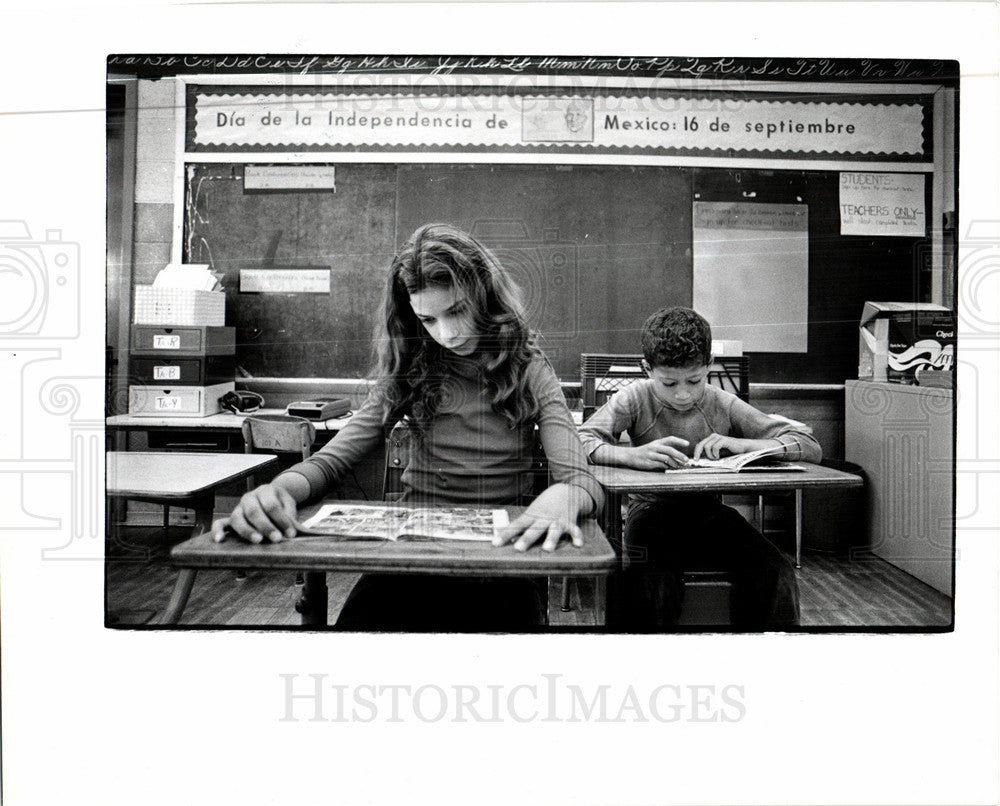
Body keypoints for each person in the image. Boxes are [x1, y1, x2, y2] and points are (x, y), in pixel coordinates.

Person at [213, 223, 604, 630]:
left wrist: (566, 496)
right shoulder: (412, 366)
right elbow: (331, 461)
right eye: (428, 319)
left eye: (456, 311)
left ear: (484, 296)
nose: (447, 333)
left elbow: (582, 482)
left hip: (500, 558)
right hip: (412, 554)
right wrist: (278, 490)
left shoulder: (530, 367)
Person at [578, 306, 822, 631]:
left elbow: (808, 446)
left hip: (710, 515)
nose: (683, 394)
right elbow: (579, 440)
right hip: (651, 514)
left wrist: (744, 444)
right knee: (650, 585)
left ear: (709, 366)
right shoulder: (635, 398)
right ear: (646, 368)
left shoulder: (722, 402)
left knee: (774, 572)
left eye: (694, 380)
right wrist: (632, 456)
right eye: (668, 383)